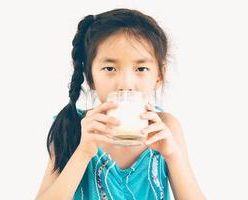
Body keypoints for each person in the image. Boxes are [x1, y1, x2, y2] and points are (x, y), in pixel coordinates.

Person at [36, 8, 205, 200]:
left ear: (159, 76)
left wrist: (172, 155)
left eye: (141, 68)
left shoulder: (167, 128)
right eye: (110, 68)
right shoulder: (71, 126)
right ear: (90, 77)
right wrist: (82, 153)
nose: (125, 83)